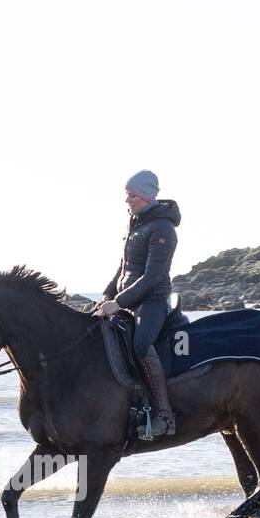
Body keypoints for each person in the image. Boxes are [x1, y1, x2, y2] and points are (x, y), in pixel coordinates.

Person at [95, 170, 180, 437]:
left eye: (131, 195)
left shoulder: (162, 228)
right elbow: (123, 269)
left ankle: (164, 417)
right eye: (127, 195)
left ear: (145, 196)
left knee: (141, 344)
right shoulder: (135, 225)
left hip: (152, 302)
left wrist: (118, 303)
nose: (127, 201)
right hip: (127, 300)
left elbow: (153, 277)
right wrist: (107, 296)